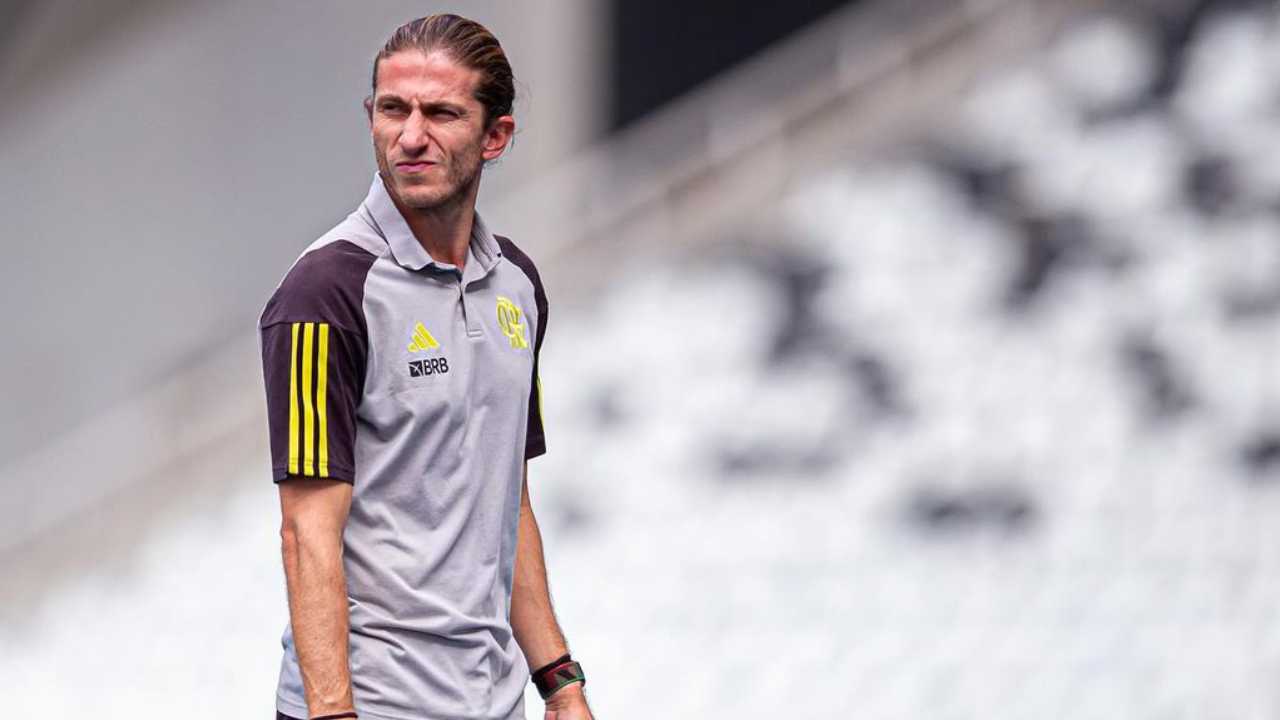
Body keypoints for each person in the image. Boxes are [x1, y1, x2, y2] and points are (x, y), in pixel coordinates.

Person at [256, 14, 593, 720]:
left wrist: (559, 680)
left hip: (494, 702)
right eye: (392, 109)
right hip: (373, 705)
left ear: (495, 135)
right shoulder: (327, 291)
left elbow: (507, 499)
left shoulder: (519, 286)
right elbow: (306, 530)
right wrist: (332, 713)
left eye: (440, 113)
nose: (410, 137)